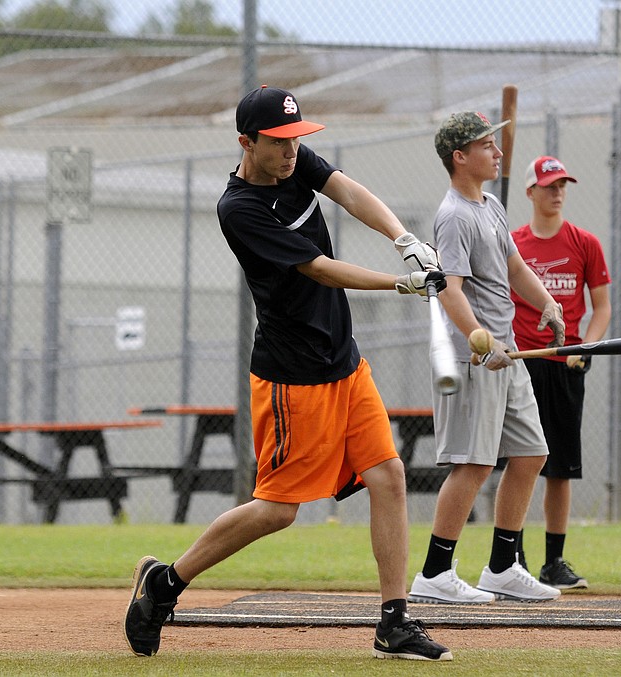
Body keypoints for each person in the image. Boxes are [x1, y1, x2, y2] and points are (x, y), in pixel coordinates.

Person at [125, 85, 453, 662]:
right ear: (245, 143)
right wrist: (400, 282)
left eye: (296, 139)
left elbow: (348, 191)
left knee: (390, 476)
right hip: (291, 378)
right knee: (278, 510)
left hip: (343, 361)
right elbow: (319, 270)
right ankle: (166, 583)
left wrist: (404, 240)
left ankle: (394, 622)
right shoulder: (239, 209)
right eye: (277, 142)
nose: (291, 152)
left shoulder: (297, 165)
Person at [407, 111, 566, 606]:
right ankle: (435, 573)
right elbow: (448, 288)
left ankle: (502, 567)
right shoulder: (453, 215)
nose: (498, 153)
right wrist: (480, 339)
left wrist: (547, 302)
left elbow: (513, 266)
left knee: (532, 452)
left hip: (509, 351)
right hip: (478, 357)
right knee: (474, 464)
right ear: (460, 157)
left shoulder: (491, 205)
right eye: (486, 146)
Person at [510, 156, 611, 589]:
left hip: (566, 363)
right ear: (530, 192)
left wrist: (587, 345)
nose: (557, 192)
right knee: (520, 461)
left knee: (560, 465)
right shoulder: (512, 243)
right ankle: (511, 557)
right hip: (523, 364)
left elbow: (601, 306)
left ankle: (554, 561)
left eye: (562, 185)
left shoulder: (584, 242)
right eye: (549, 185)